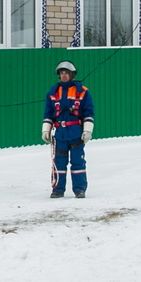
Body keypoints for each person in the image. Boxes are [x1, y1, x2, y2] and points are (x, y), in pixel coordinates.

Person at [42, 59, 94, 199]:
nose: (64, 75)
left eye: (67, 73)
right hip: (60, 134)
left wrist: (87, 130)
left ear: (73, 75)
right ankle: (58, 190)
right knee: (59, 162)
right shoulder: (53, 92)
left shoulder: (83, 92)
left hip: (76, 132)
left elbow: (89, 113)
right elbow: (48, 114)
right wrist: (46, 130)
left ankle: (79, 190)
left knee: (78, 162)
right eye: (62, 73)